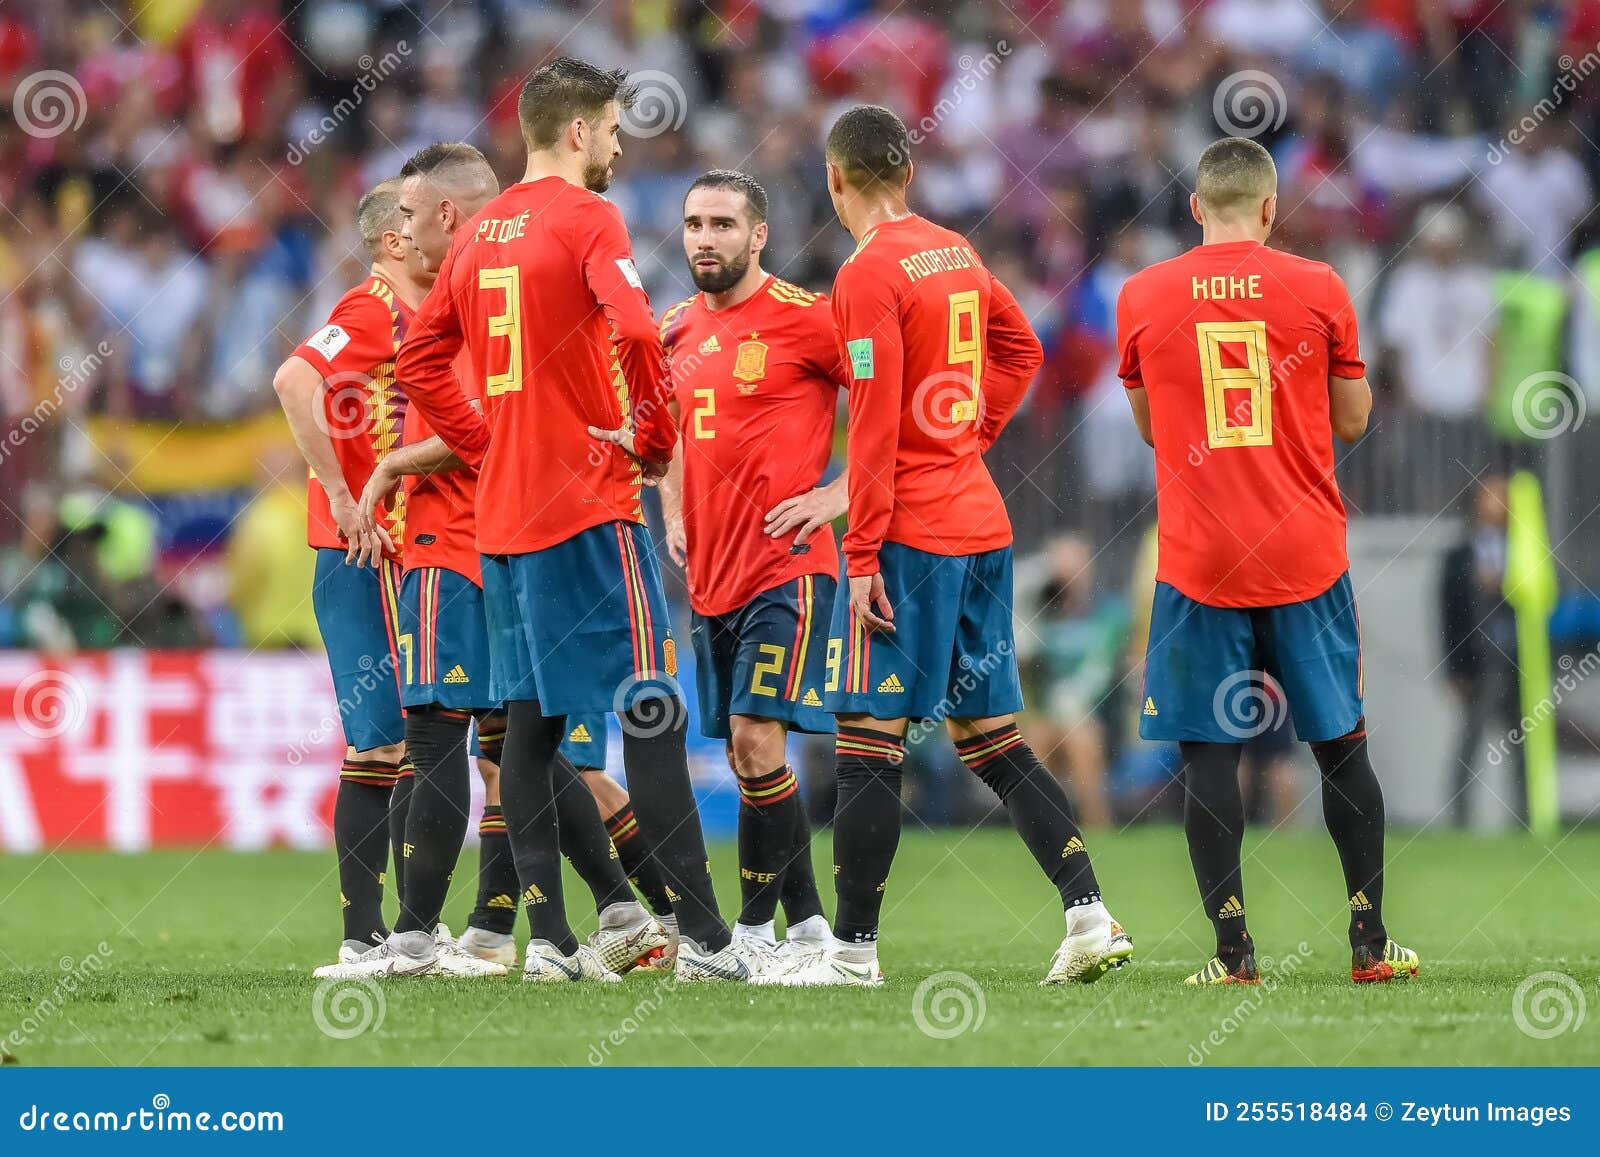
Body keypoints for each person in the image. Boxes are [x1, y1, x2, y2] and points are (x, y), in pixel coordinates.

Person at [390, 58, 753, 982]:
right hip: (589, 501)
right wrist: (654, 436)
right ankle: (709, 940)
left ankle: (549, 943)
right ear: (580, 132)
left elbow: (422, 358)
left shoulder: (477, 237)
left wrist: (484, 439)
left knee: (526, 726)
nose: (623, 145)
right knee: (651, 707)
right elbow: (636, 328)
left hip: (503, 519)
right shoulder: (589, 217)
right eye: (614, 128)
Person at [765, 105, 1133, 988]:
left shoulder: (865, 275)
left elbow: (877, 424)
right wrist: (967, 432)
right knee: (992, 736)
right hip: (980, 522)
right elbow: (1019, 346)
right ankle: (1089, 913)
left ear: (835, 178)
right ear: (909, 176)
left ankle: (849, 953)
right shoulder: (954, 249)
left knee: (867, 735)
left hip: (916, 534)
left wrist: (859, 559)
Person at [335, 142, 668, 980]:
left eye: (410, 214)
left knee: (440, 736)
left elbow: (479, 420)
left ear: (448, 214)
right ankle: (606, 917)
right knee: (517, 746)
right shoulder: (497, 281)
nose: (401, 231)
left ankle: (414, 939)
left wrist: (394, 466)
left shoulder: (477, 293)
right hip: (509, 538)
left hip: (462, 544)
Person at [1116, 135, 1418, 985]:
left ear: (1194, 208)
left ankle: (1233, 954)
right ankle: (1368, 943)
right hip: (1303, 550)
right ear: (1272, 207)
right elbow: (1354, 420)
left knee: (1209, 752)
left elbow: (1148, 427)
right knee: (1341, 745)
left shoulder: (1142, 294)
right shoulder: (1320, 286)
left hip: (1198, 555)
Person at [653, 169, 839, 957]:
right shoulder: (673, 331)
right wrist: (669, 506)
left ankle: (788, 929)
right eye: (695, 223)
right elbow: (667, 435)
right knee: (742, 749)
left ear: (758, 235)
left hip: (789, 566)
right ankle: (781, 928)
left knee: (759, 739)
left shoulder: (810, 319)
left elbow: (902, 399)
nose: (705, 237)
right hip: (713, 577)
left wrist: (845, 492)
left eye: (723, 224)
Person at [271, 180, 417, 969]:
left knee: (426, 739)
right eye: (425, 216)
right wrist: (338, 492)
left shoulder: (433, 313)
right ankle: (366, 934)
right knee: (381, 744)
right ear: (394, 240)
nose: (444, 225)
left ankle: (414, 931)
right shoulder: (372, 311)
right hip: (361, 553)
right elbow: (295, 380)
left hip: (420, 554)